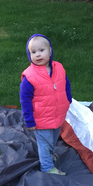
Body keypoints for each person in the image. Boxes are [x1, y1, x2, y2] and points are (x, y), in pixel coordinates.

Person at [19, 34, 72, 175]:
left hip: (57, 115)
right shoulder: (30, 77)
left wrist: (68, 99)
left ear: (50, 51)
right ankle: (47, 167)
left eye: (41, 50)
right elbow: (25, 99)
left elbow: (65, 84)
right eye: (33, 52)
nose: (38, 54)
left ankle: (48, 155)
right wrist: (29, 119)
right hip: (41, 118)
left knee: (53, 139)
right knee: (45, 143)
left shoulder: (58, 68)